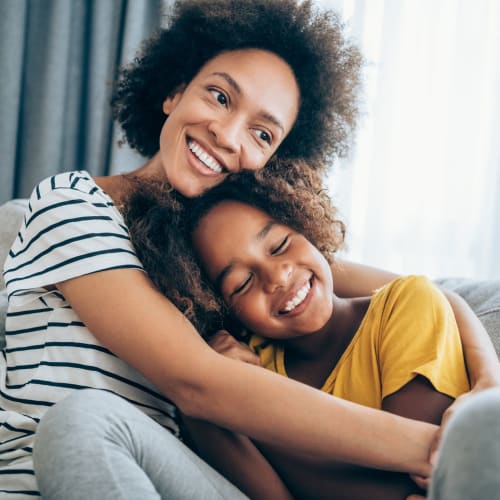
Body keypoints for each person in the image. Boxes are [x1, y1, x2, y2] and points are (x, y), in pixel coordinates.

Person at [0, 0, 497, 498]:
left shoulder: (220, 251)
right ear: (174, 91)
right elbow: (195, 382)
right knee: (81, 419)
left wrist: (487, 384)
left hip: (182, 478)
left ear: (273, 159)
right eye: (219, 96)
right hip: (51, 472)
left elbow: (426, 293)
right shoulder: (71, 204)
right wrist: (445, 451)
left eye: (262, 133)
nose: (227, 133)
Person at [127, 169, 497, 500]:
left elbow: (406, 484)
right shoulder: (246, 371)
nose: (278, 278)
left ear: (308, 227)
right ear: (222, 310)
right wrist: (218, 397)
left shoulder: (408, 306)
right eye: (242, 284)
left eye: (280, 246)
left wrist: (252, 423)